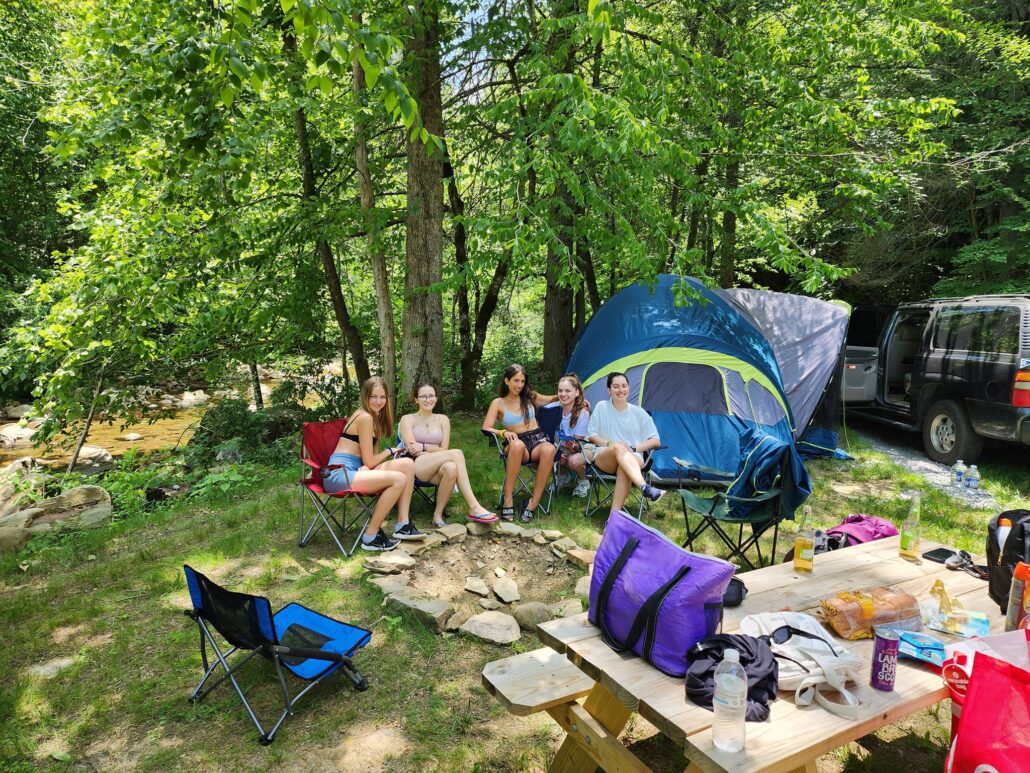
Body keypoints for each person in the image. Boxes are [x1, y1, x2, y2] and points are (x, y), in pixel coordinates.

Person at [323, 376, 426, 551]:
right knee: (398, 479)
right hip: (339, 475)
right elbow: (372, 460)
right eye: (373, 397)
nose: (378, 401)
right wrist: (390, 451)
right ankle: (371, 536)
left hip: (356, 471)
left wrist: (368, 466)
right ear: (365, 396)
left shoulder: (375, 419)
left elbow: (369, 460)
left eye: (382, 397)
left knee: (407, 464)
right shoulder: (364, 417)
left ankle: (403, 525)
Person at [398, 382, 499, 528]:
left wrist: (425, 446)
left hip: (437, 465)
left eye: (431, 395)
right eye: (423, 396)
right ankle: (474, 506)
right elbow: (413, 449)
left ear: (436, 398)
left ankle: (437, 516)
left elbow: (444, 449)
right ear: (416, 399)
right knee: (456, 453)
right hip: (416, 465)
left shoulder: (443, 419)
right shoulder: (407, 419)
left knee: (451, 467)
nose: (428, 399)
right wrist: (432, 451)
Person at [481, 364, 557, 523]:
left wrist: (576, 400)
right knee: (517, 445)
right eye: (516, 380)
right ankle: (507, 499)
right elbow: (486, 427)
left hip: (537, 440)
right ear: (506, 381)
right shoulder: (498, 403)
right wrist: (503, 432)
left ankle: (533, 502)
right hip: (516, 442)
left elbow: (552, 399)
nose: (519, 385)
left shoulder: (529, 396)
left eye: (522, 381)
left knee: (550, 449)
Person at [586, 371, 665, 513]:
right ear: (609, 390)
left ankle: (612, 520)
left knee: (624, 467)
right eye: (616, 386)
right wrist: (613, 444)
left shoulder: (639, 412)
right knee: (619, 447)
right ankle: (644, 487)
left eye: (624, 386)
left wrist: (634, 448)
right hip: (606, 456)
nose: (621, 390)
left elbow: (655, 441)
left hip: (633, 458)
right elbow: (592, 435)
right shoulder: (601, 407)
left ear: (628, 388)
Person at [554, 373, 591, 498]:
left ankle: (583, 481)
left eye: (567, 391)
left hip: (579, 449)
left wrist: (564, 453)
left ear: (577, 393)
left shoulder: (583, 413)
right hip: (559, 447)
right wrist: (558, 452)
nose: (563, 394)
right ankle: (563, 476)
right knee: (546, 454)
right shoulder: (553, 409)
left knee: (573, 460)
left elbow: (576, 445)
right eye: (560, 390)